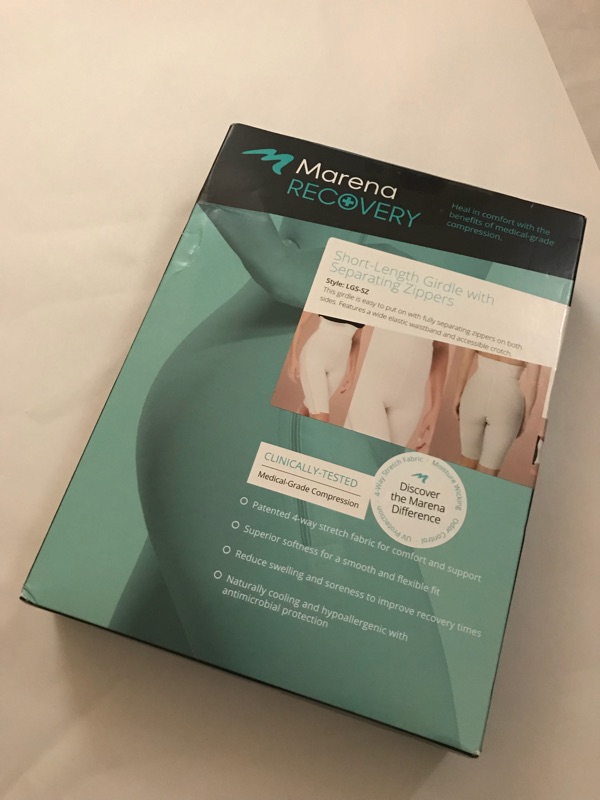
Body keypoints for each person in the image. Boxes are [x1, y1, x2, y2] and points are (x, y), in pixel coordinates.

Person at [344, 332, 449, 449]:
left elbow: (441, 347)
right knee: (374, 456)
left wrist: (435, 408)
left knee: (379, 458)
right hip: (370, 386)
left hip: (412, 400)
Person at [454, 349, 541, 477]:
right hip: (508, 402)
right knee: (488, 473)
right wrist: (524, 420)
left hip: (475, 393)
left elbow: (464, 362)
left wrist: (458, 396)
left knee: (466, 463)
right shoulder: (533, 342)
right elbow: (533, 383)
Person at [287, 312, 364, 422]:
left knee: (308, 405)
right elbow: (300, 323)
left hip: (338, 367)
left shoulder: (363, 307)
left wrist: (352, 372)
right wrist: (292, 357)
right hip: (315, 357)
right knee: (321, 416)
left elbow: (356, 340)